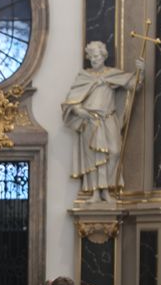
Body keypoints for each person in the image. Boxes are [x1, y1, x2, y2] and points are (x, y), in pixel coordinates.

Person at [61, 41, 143, 201]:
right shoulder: (84, 76)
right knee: (93, 156)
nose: (94, 59)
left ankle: (108, 188)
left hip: (108, 118)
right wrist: (79, 110)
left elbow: (134, 84)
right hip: (90, 120)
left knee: (114, 152)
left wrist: (141, 70)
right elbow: (71, 101)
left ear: (103, 56)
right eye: (91, 57)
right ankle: (97, 192)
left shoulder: (112, 74)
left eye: (97, 56)